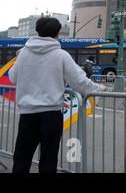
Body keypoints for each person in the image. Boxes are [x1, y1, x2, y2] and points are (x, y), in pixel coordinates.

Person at [9, 17, 107, 173]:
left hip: (27, 114)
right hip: (51, 115)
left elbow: (12, 77)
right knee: (48, 159)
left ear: (38, 31)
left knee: (22, 158)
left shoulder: (24, 53)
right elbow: (80, 82)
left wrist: (17, 58)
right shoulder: (61, 55)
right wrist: (99, 88)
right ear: (56, 34)